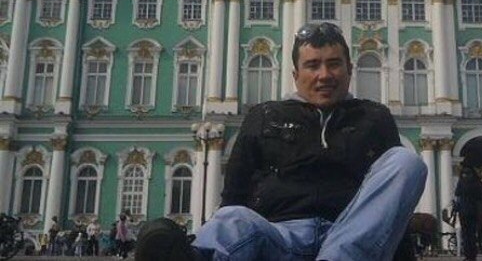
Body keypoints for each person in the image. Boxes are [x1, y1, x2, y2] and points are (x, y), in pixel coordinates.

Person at [135, 22, 427, 261]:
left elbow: (392, 206)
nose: (324, 75)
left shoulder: (373, 117)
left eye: (334, 64)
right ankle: (197, 256)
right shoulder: (265, 116)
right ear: (296, 75)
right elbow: (234, 194)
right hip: (280, 237)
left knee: (406, 162)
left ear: (349, 70)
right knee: (233, 217)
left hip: (351, 235)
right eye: (313, 65)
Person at [454, 167, 482, 261]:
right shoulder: (475, 183)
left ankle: (468, 255)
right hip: (473, 212)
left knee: (466, 235)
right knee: (472, 235)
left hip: (463, 212)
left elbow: (457, 193)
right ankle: (472, 256)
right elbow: (479, 197)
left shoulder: (461, 183)